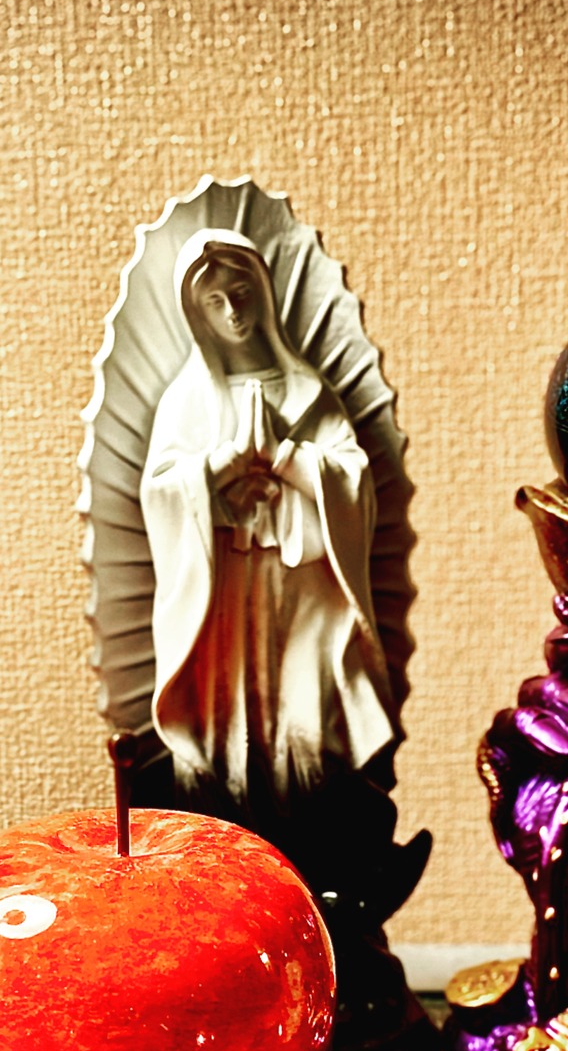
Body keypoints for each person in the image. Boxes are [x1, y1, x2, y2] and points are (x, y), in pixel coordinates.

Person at [140, 229, 398, 806]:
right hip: (224, 589)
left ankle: (309, 812)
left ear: (262, 292)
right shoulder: (186, 399)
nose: (232, 312)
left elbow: (352, 479)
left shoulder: (308, 390)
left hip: (301, 583)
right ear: (196, 313)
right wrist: (225, 465)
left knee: (304, 704)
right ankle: (229, 809)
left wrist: (286, 458)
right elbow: (160, 491)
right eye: (215, 301)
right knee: (232, 706)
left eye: (241, 294)